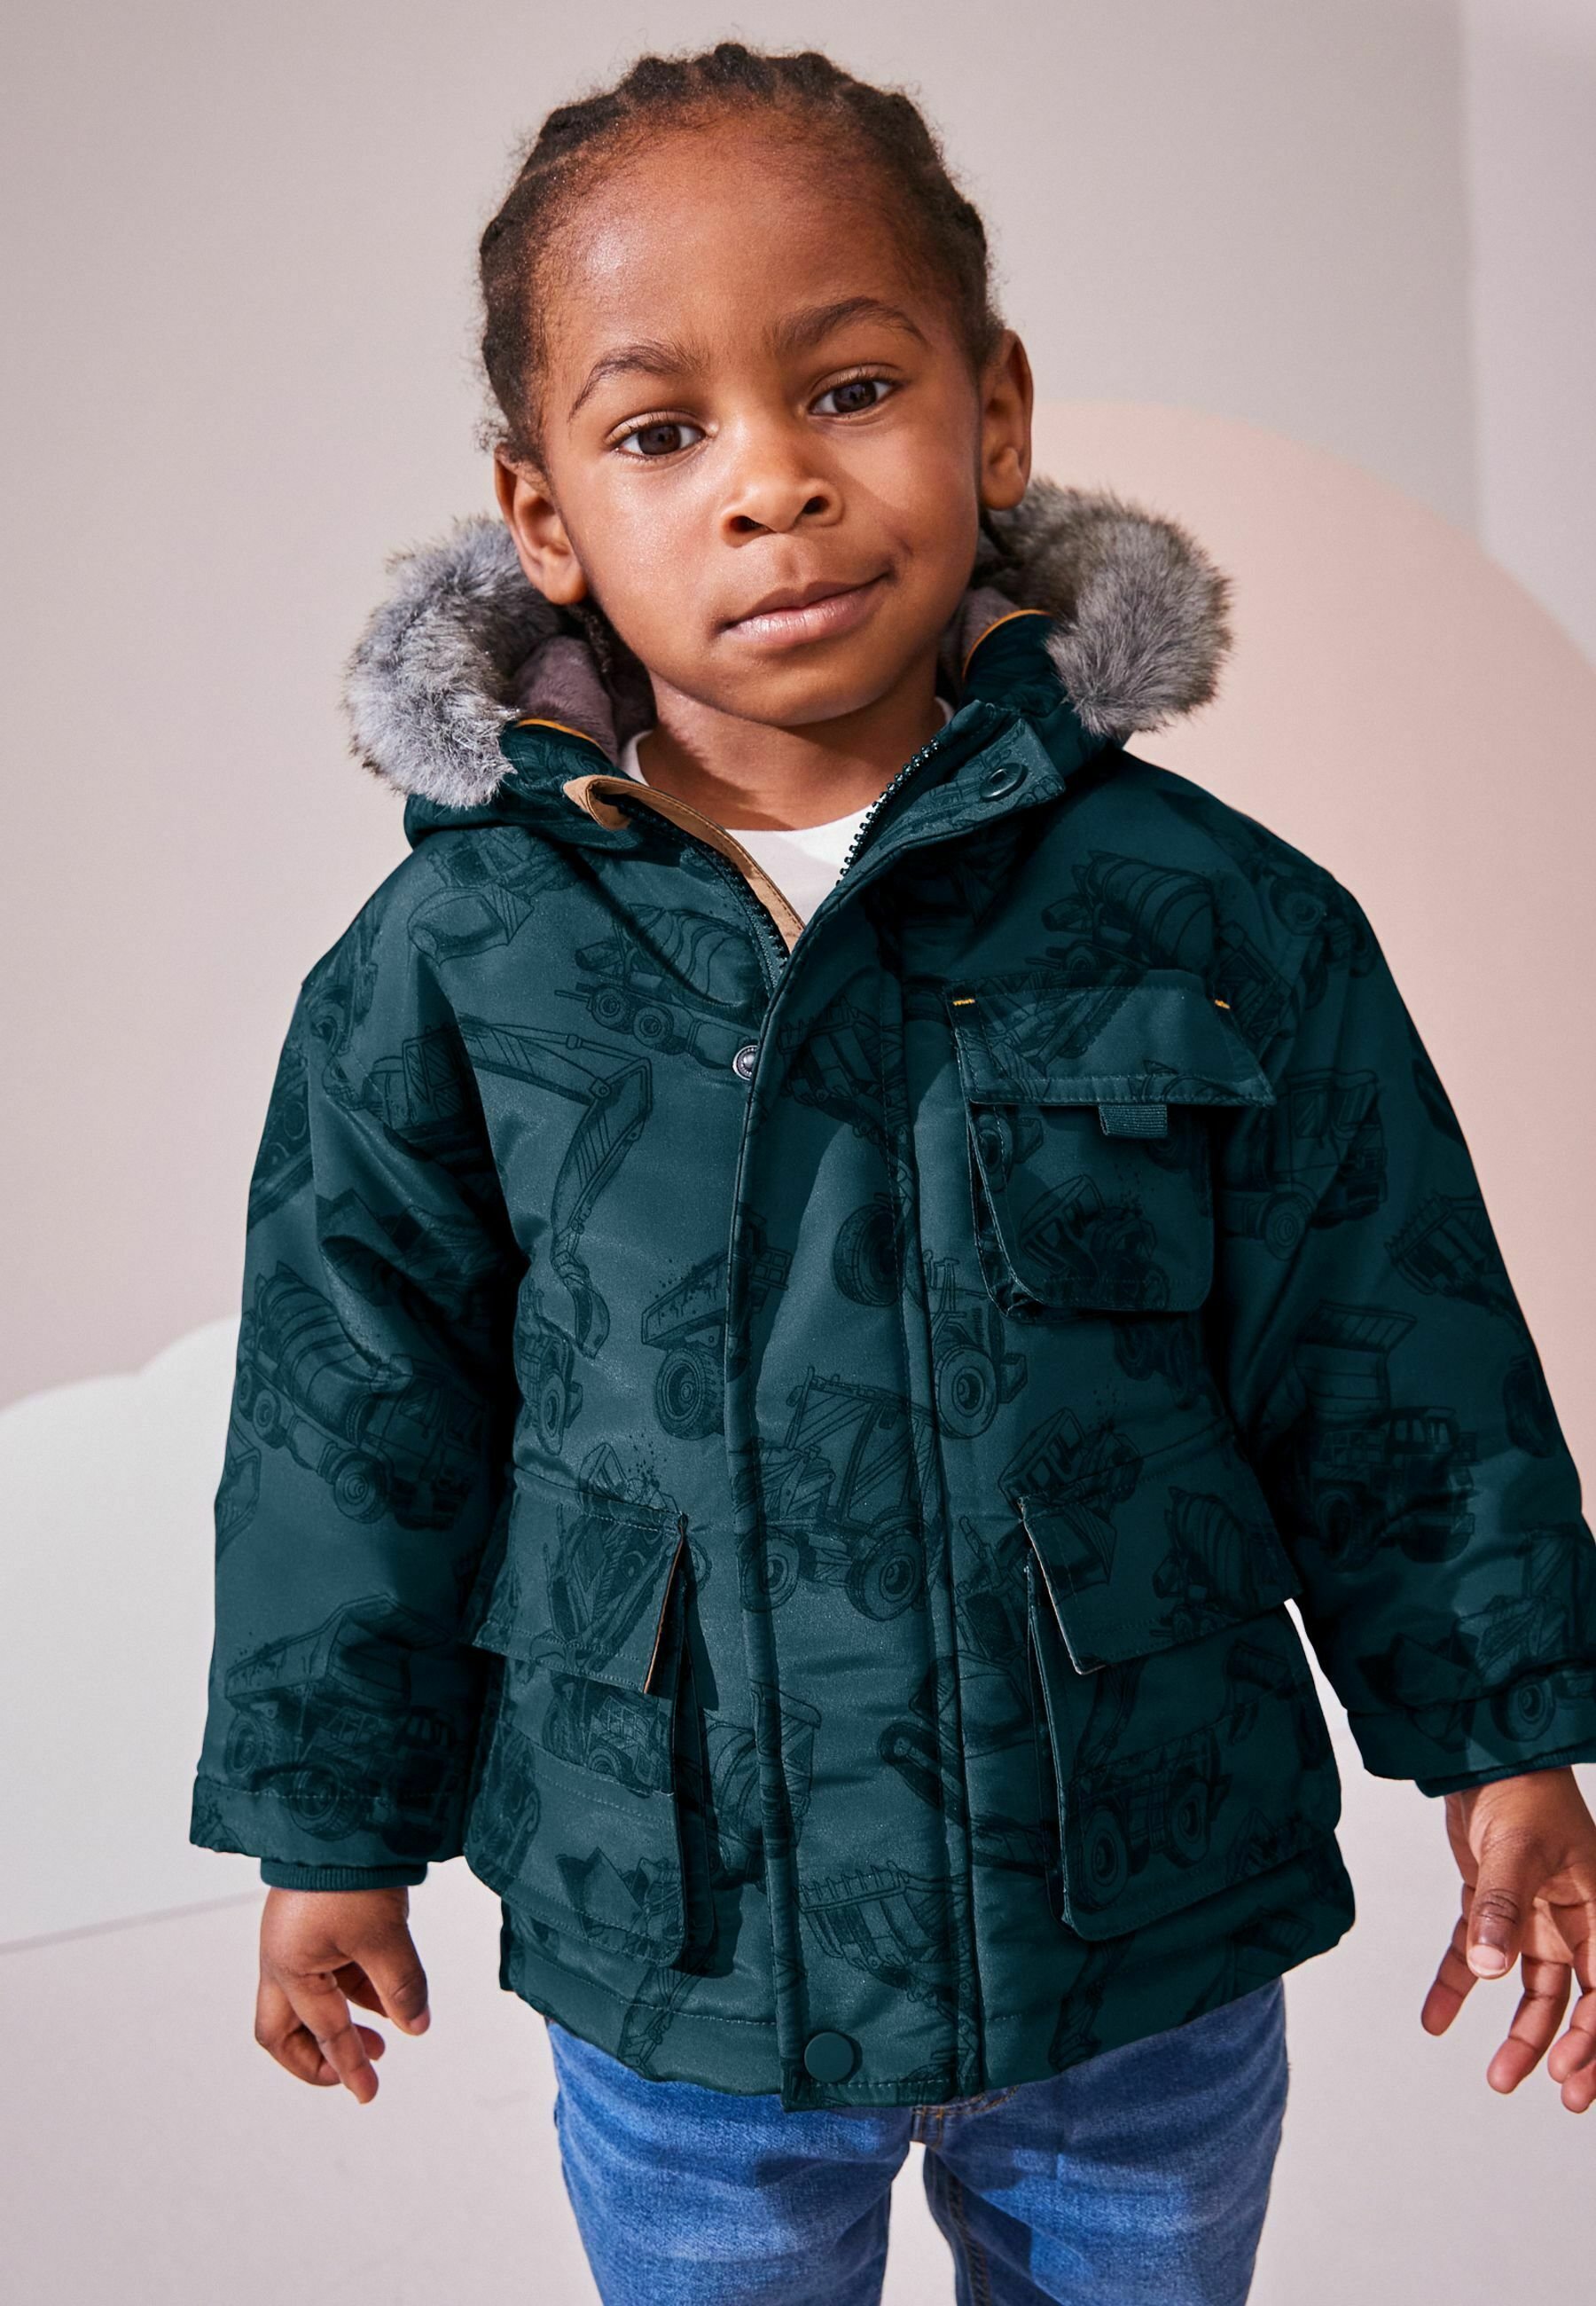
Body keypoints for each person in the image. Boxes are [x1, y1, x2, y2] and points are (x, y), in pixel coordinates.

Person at [189, 37, 1596, 2305]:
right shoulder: (455, 961)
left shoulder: (1211, 914)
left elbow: (1389, 1348)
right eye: (663, 432)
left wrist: (1511, 1736)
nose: (773, 483)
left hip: (1133, 1933)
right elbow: (353, 1413)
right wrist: (325, 1824)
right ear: (543, 515)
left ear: (993, 414)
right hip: (689, 1958)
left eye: (848, 390)